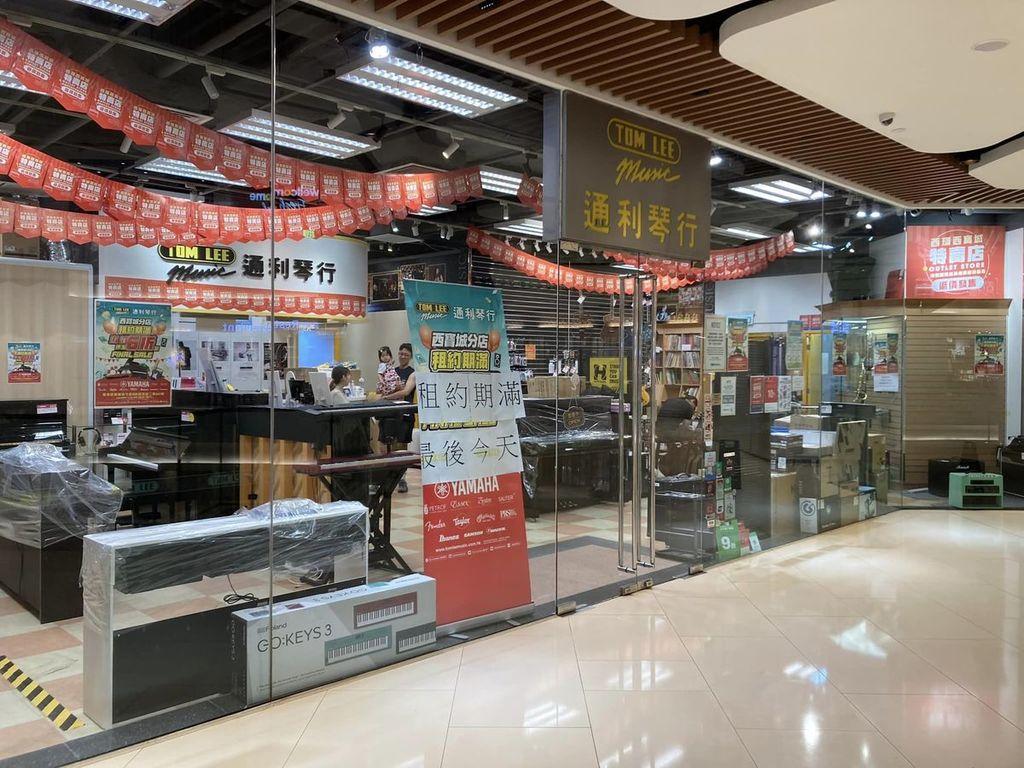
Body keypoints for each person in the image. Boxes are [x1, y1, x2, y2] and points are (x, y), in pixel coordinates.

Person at [382, 342, 416, 492]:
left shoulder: (413, 373)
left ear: (410, 357)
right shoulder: (392, 371)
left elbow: (406, 392)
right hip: (391, 413)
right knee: (388, 446)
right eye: (401, 353)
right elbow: (383, 387)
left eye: (406, 354)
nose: (403, 356)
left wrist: (387, 397)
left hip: (405, 414)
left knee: (401, 447)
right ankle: (388, 478)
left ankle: (402, 479)